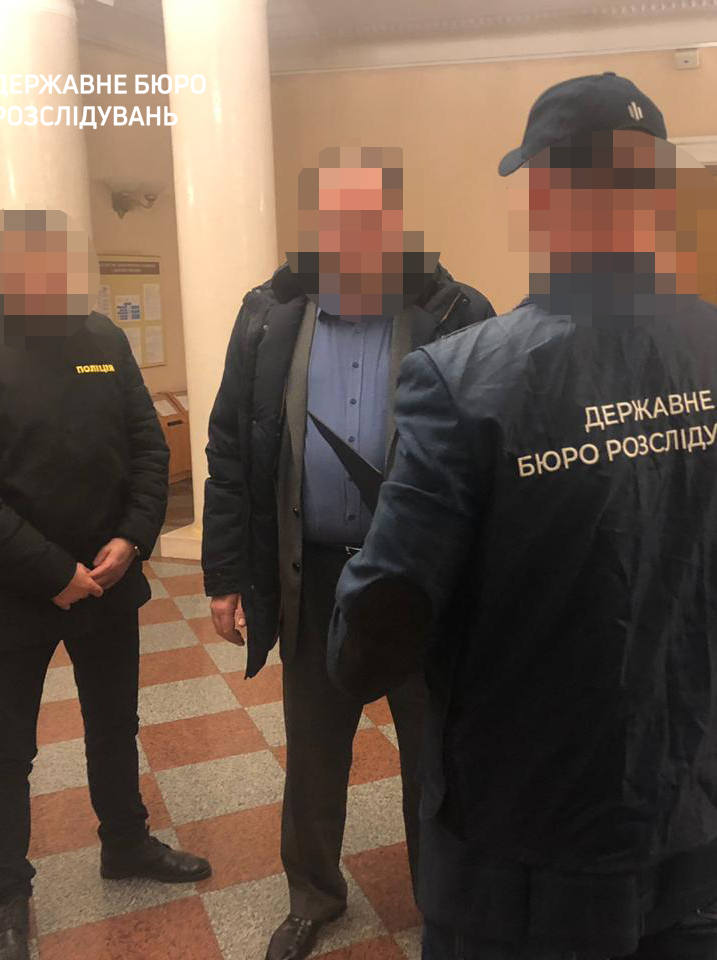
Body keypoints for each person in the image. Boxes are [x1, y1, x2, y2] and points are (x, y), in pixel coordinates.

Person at [328, 74, 717, 960]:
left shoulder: (463, 380)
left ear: (542, 197)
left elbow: (372, 644)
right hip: (705, 835)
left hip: (523, 864)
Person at [201, 146, 494, 960]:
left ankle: (444, 900)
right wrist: (226, 575)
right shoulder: (269, 317)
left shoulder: (456, 312)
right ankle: (314, 895)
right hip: (313, 573)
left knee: (435, 751)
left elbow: (495, 452)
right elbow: (231, 448)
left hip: (420, 575)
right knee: (314, 750)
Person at [0, 209, 211, 960]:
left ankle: (126, 843)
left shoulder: (100, 340)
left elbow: (148, 448)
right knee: (8, 749)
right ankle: (8, 897)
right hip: (13, 593)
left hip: (109, 580)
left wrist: (132, 538)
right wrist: (52, 573)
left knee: (115, 726)